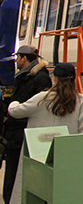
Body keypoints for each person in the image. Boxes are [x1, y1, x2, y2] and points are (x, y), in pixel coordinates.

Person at [7, 63, 83, 204]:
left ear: (55, 79)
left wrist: (13, 102)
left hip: (38, 155)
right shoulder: (80, 100)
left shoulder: (42, 98)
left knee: (35, 191)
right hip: (65, 157)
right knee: (60, 194)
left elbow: (15, 112)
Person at [2, 45, 51, 204]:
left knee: (17, 173)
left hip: (24, 133)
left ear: (24, 58)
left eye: (18, 57)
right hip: (16, 132)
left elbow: (38, 107)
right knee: (12, 172)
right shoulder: (24, 75)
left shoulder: (39, 78)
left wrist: (15, 110)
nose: (16, 60)